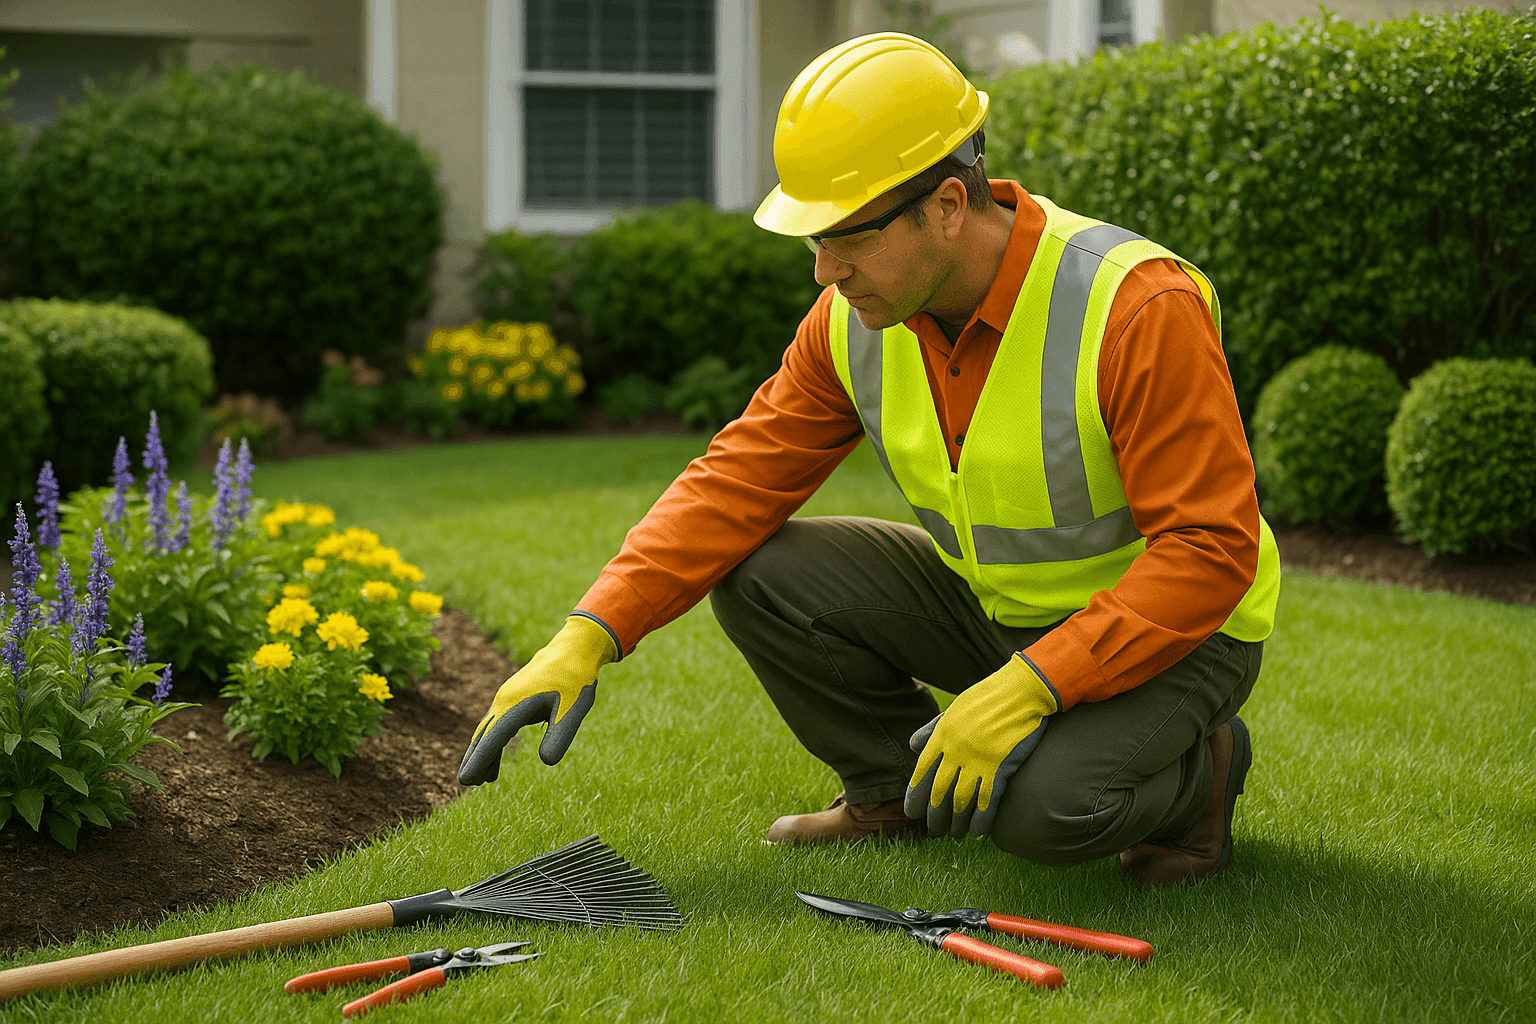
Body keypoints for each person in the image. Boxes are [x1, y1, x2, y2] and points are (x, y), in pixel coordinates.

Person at [458, 32, 1281, 887]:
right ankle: (894, 795)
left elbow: (1209, 551)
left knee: (1042, 812)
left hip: (1184, 635)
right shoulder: (858, 321)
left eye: (846, 236)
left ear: (950, 205)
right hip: (1002, 612)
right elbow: (739, 475)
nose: (824, 271)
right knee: (763, 570)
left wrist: (1030, 688)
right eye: (813, 239)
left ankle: (1202, 772)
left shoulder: (1136, 307)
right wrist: (587, 633)